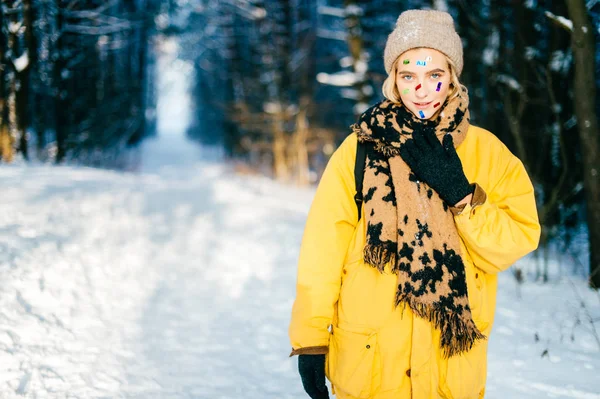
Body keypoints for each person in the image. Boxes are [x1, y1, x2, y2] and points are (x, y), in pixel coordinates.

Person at [288, 9, 541, 399]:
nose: (421, 89)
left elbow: (514, 241)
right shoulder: (359, 149)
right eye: (409, 76)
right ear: (393, 80)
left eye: (434, 76)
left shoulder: (490, 154)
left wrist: (461, 194)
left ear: (452, 78)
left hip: (448, 365)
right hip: (369, 362)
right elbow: (323, 251)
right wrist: (310, 339)